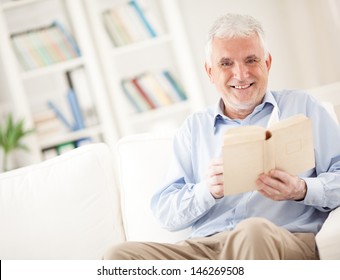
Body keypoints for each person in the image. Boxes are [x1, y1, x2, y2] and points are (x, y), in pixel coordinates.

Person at [104, 13, 340, 260]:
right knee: (118, 256)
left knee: (253, 231)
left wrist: (302, 189)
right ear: (210, 72)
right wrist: (207, 190)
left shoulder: (303, 107)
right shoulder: (194, 128)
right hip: (207, 249)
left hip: (281, 239)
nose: (240, 74)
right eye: (226, 64)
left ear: (267, 63)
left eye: (251, 60)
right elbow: (166, 213)